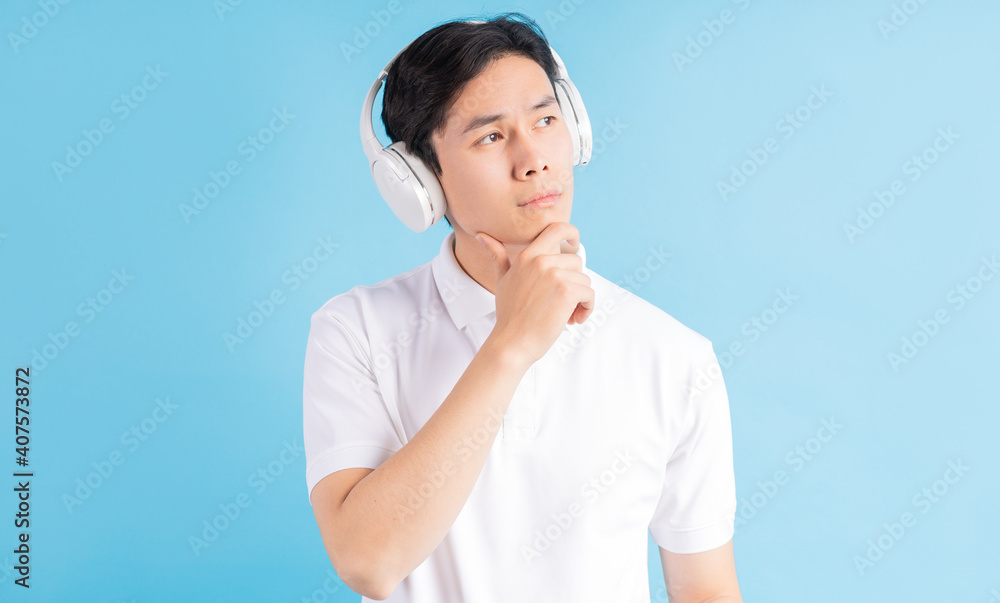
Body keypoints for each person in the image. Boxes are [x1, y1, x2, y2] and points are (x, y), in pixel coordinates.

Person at [303, 12, 743, 602]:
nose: (534, 158)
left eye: (545, 119)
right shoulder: (356, 330)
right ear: (419, 179)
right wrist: (510, 345)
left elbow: (706, 591)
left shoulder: (673, 356)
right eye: (490, 136)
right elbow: (367, 562)